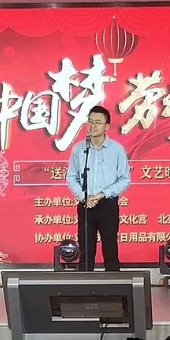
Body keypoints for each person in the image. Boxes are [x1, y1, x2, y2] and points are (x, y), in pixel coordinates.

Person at [66, 106, 131, 271]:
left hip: (107, 204)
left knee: (110, 249)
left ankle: (114, 285)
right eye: (90, 122)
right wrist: (84, 197)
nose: (93, 126)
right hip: (85, 205)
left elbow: (124, 179)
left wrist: (103, 194)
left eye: (97, 122)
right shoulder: (79, 149)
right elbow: (71, 177)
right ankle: (84, 285)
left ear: (106, 126)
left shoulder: (117, 150)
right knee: (86, 252)